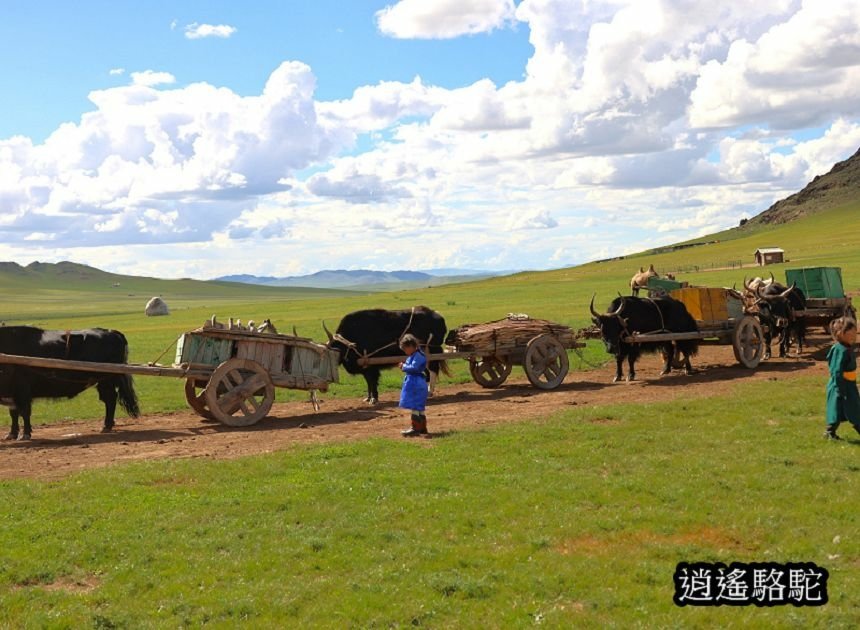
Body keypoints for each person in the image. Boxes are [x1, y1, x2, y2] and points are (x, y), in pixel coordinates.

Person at [824, 316, 860, 440]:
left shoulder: (847, 348)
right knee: (843, 409)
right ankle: (830, 432)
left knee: (850, 407)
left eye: (855, 335)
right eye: (850, 335)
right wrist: (840, 388)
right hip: (840, 385)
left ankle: (830, 432)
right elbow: (836, 371)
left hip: (849, 384)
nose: (853, 338)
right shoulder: (840, 350)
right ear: (840, 334)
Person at [398, 333, 428, 437]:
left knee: (415, 406)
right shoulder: (417, 354)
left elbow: (414, 368)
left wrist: (404, 366)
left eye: (406, 349)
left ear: (411, 346)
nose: (405, 352)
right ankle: (422, 427)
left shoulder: (418, 356)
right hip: (416, 382)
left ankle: (415, 428)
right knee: (419, 407)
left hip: (416, 383)